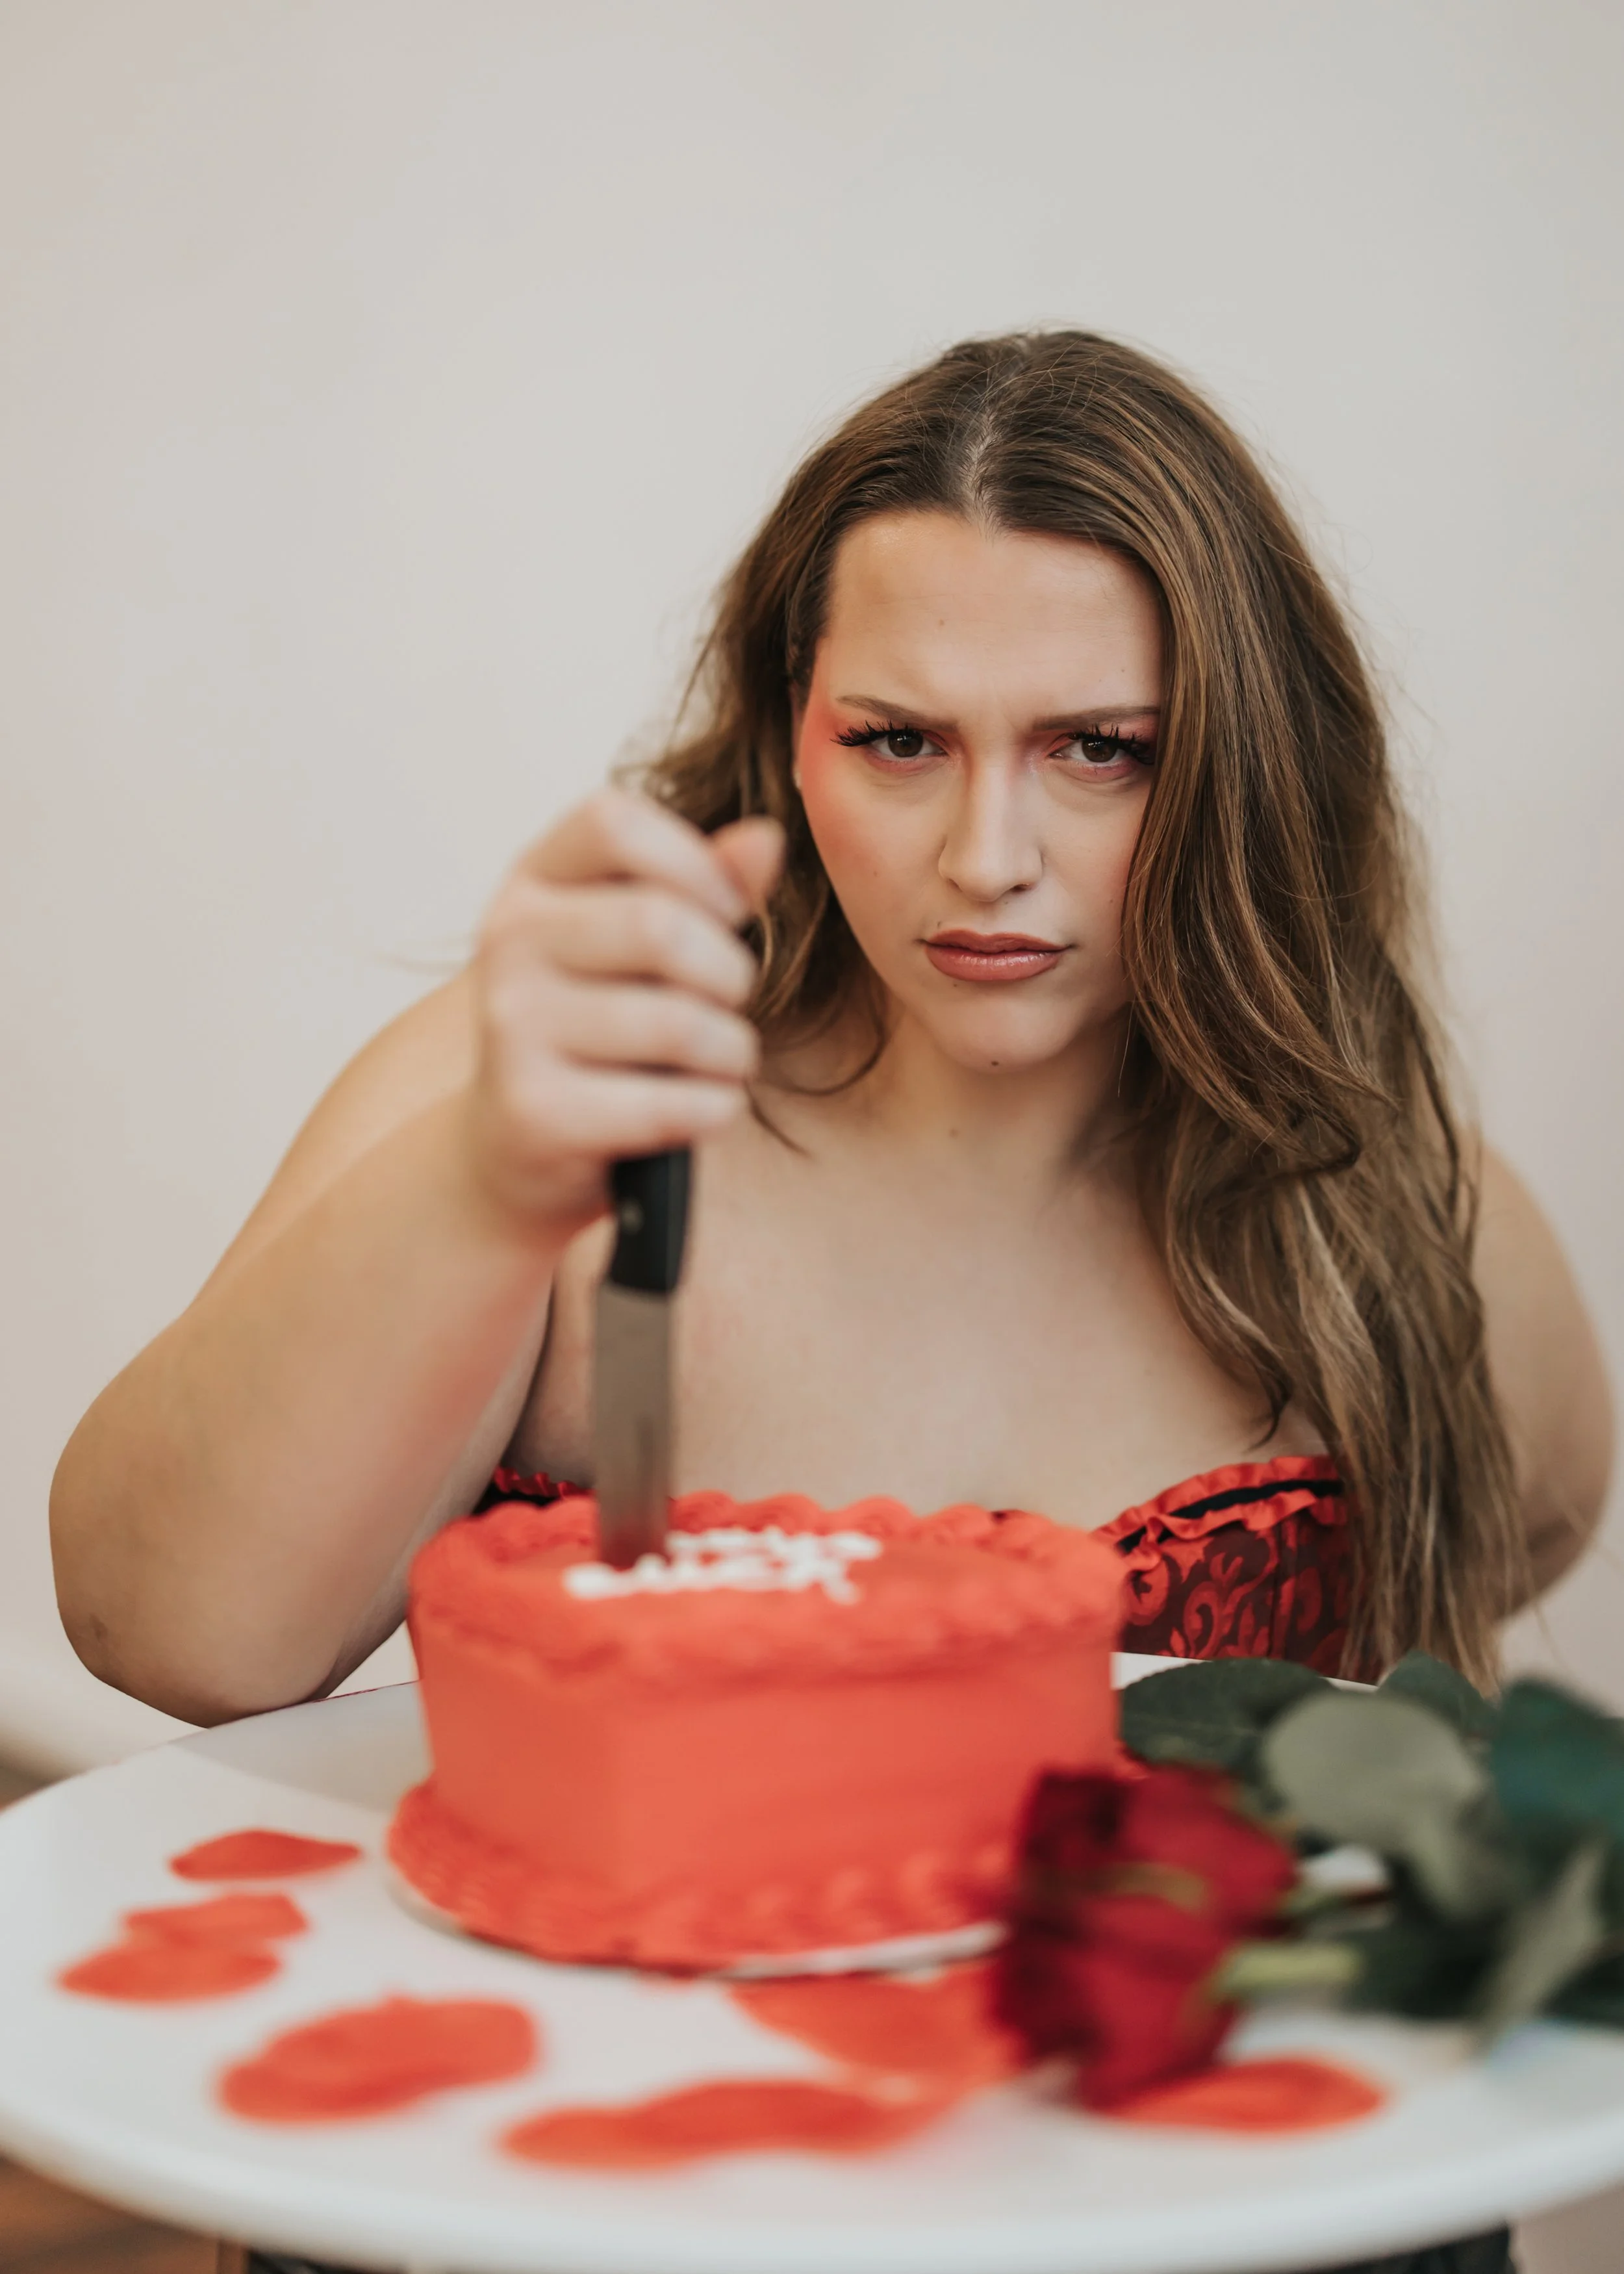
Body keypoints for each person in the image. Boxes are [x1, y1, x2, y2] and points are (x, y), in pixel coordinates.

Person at [52, 333, 1610, 2274]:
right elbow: (166, 1625)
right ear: (789, 729)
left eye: (1097, 748)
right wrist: (482, 1180)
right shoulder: (560, 1087)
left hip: (1207, 2211)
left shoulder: (1368, 1192)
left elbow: (1533, 1497)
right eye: (899, 740)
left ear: (1237, 763)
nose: (986, 856)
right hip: (588, 2196)